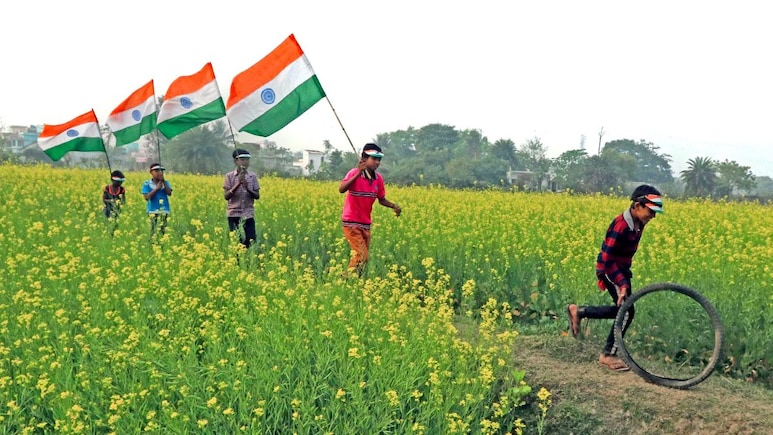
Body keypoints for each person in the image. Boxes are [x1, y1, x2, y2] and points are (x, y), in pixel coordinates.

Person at [566, 184, 664, 371]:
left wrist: (624, 277)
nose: (653, 216)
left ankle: (579, 311)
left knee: (623, 310)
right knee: (626, 311)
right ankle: (607, 355)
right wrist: (622, 283)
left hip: (620, 269)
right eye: (650, 211)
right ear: (637, 206)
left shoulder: (639, 223)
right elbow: (607, 258)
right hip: (609, 269)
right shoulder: (621, 225)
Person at [339, 143, 401, 277]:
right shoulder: (354, 173)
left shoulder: (378, 179)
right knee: (362, 256)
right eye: (374, 159)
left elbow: (381, 199)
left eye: (379, 159)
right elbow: (342, 189)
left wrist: (394, 206)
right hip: (351, 222)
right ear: (364, 159)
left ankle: (354, 282)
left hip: (365, 224)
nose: (377, 162)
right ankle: (344, 279)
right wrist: (358, 173)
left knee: (362, 259)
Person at [223, 148, 260, 249]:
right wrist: (238, 184)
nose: (245, 162)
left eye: (247, 160)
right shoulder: (229, 176)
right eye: (242, 159)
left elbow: (257, 196)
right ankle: (239, 261)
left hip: (248, 213)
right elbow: (226, 196)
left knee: (251, 240)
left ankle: (246, 257)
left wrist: (248, 188)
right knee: (236, 241)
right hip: (233, 213)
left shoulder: (252, 176)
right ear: (236, 161)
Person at [141, 163, 173, 240]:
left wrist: (163, 182)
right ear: (151, 172)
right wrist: (157, 189)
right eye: (156, 171)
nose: (160, 172)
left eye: (161, 171)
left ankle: (161, 245)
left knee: (163, 230)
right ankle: (152, 245)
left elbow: (169, 193)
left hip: (164, 209)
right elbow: (147, 197)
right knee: (153, 230)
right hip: (152, 210)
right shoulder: (147, 183)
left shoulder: (166, 183)